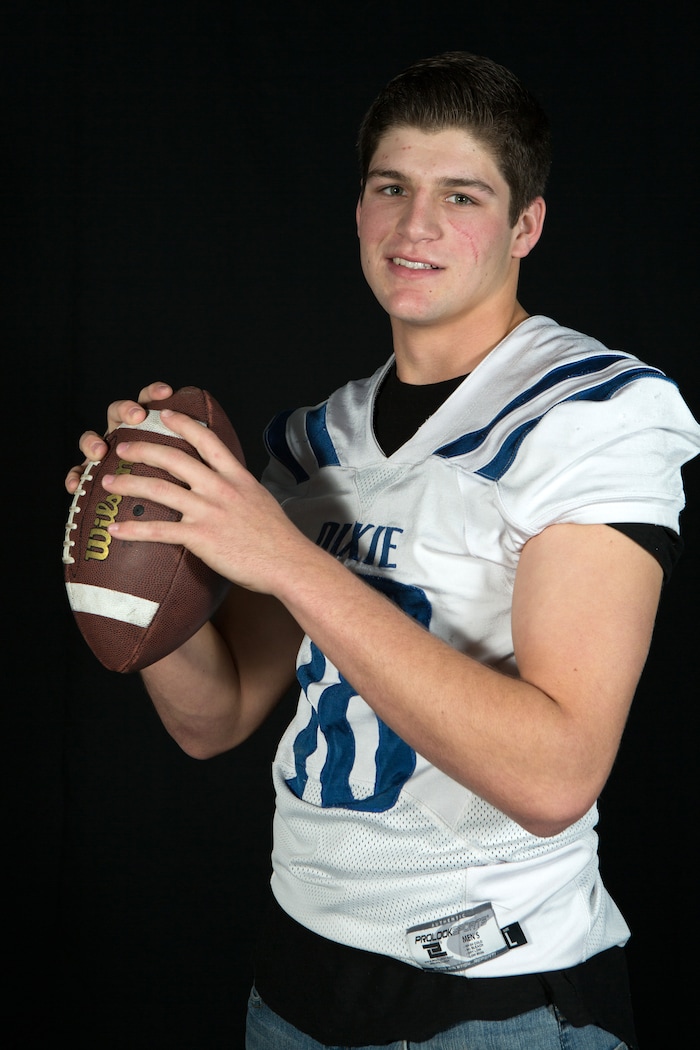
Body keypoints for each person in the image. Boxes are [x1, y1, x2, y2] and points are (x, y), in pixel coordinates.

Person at [65, 51, 700, 1049]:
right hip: (293, 988)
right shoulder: (310, 444)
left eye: (461, 195)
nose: (416, 226)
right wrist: (144, 561)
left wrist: (280, 556)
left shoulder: (594, 412)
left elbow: (555, 776)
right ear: (359, 211)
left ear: (523, 226)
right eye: (391, 189)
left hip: (499, 1004)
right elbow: (213, 718)